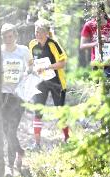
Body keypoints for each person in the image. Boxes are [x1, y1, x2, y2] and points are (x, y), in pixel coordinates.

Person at [29, 19, 69, 149]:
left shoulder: (53, 44)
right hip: (40, 83)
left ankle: (67, 139)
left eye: (40, 32)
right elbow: (31, 62)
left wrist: (46, 67)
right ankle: (37, 144)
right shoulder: (32, 44)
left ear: (47, 32)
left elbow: (62, 63)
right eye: (36, 31)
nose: (38, 34)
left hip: (57, 83)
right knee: (38, 112)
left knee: (60, 111)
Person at [0, 23, 32, 177]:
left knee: (11, 130)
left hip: (19, 96)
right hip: (2, 95)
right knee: (6, 130)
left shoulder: (24, 51)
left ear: (15, 36)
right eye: (5, 36)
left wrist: (28, 74)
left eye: (10, 36)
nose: (8, 39)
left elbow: (31, 67)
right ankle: (19, 151)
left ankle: (9, 167)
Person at [80, 2, 110, 81]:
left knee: (105, 85)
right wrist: (96, 43)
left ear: (103, 11)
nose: (98, 15)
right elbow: (82, 45)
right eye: (95, 12)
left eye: (100, 12)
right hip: (97, 61)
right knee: (98, 87)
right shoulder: (89, 25)